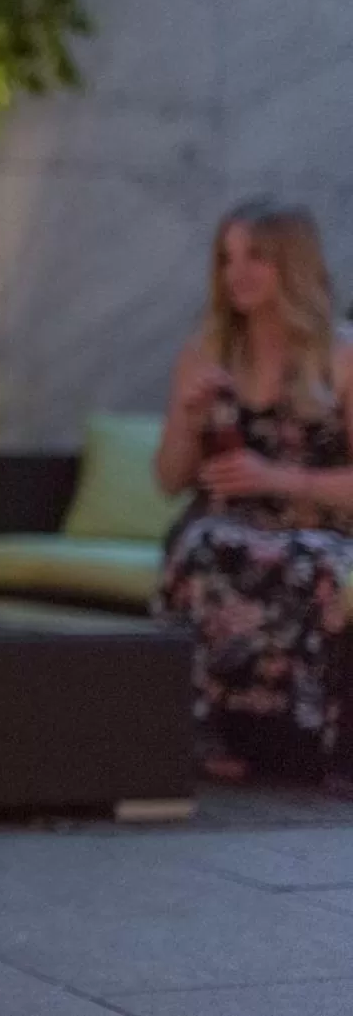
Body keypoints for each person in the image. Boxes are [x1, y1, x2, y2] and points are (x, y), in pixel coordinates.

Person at [154, 199, 353, 786]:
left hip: (322, 528)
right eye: (226, 258)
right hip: (220, 526)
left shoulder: (341, 358)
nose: (236, 273)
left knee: (306, 566)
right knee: (203, 545)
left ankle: (300, 743)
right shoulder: (206, 354)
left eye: (256, 257)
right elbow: (168, 479)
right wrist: (190, 418)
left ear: (292, 266)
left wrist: (282, 479)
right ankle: (203, 733)